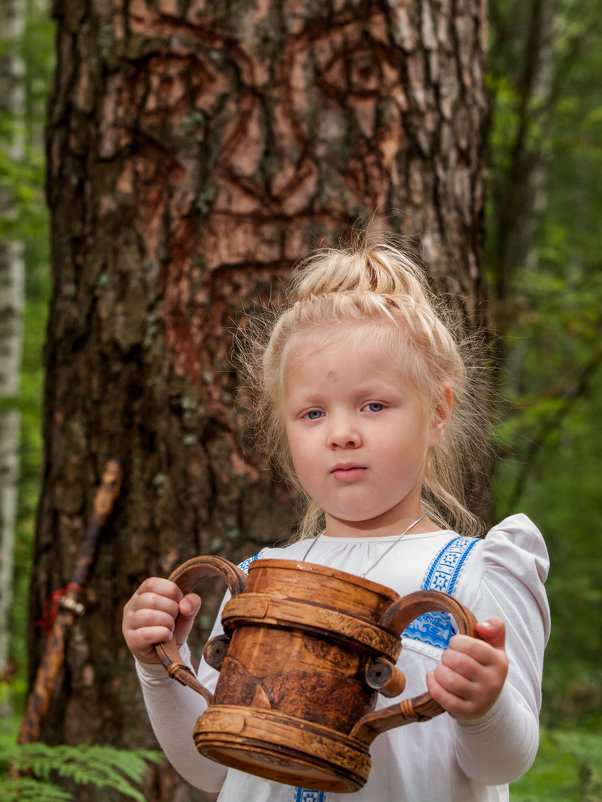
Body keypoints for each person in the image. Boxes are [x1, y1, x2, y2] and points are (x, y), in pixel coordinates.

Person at [122, 235, 550, 802]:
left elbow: (505, 761)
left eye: (374, 405)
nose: (341, 433)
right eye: (313, 412)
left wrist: (486, 706)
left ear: (439, 412)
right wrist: (157, 666)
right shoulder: (258, 580)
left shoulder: (479, 572)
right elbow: (216, 770)